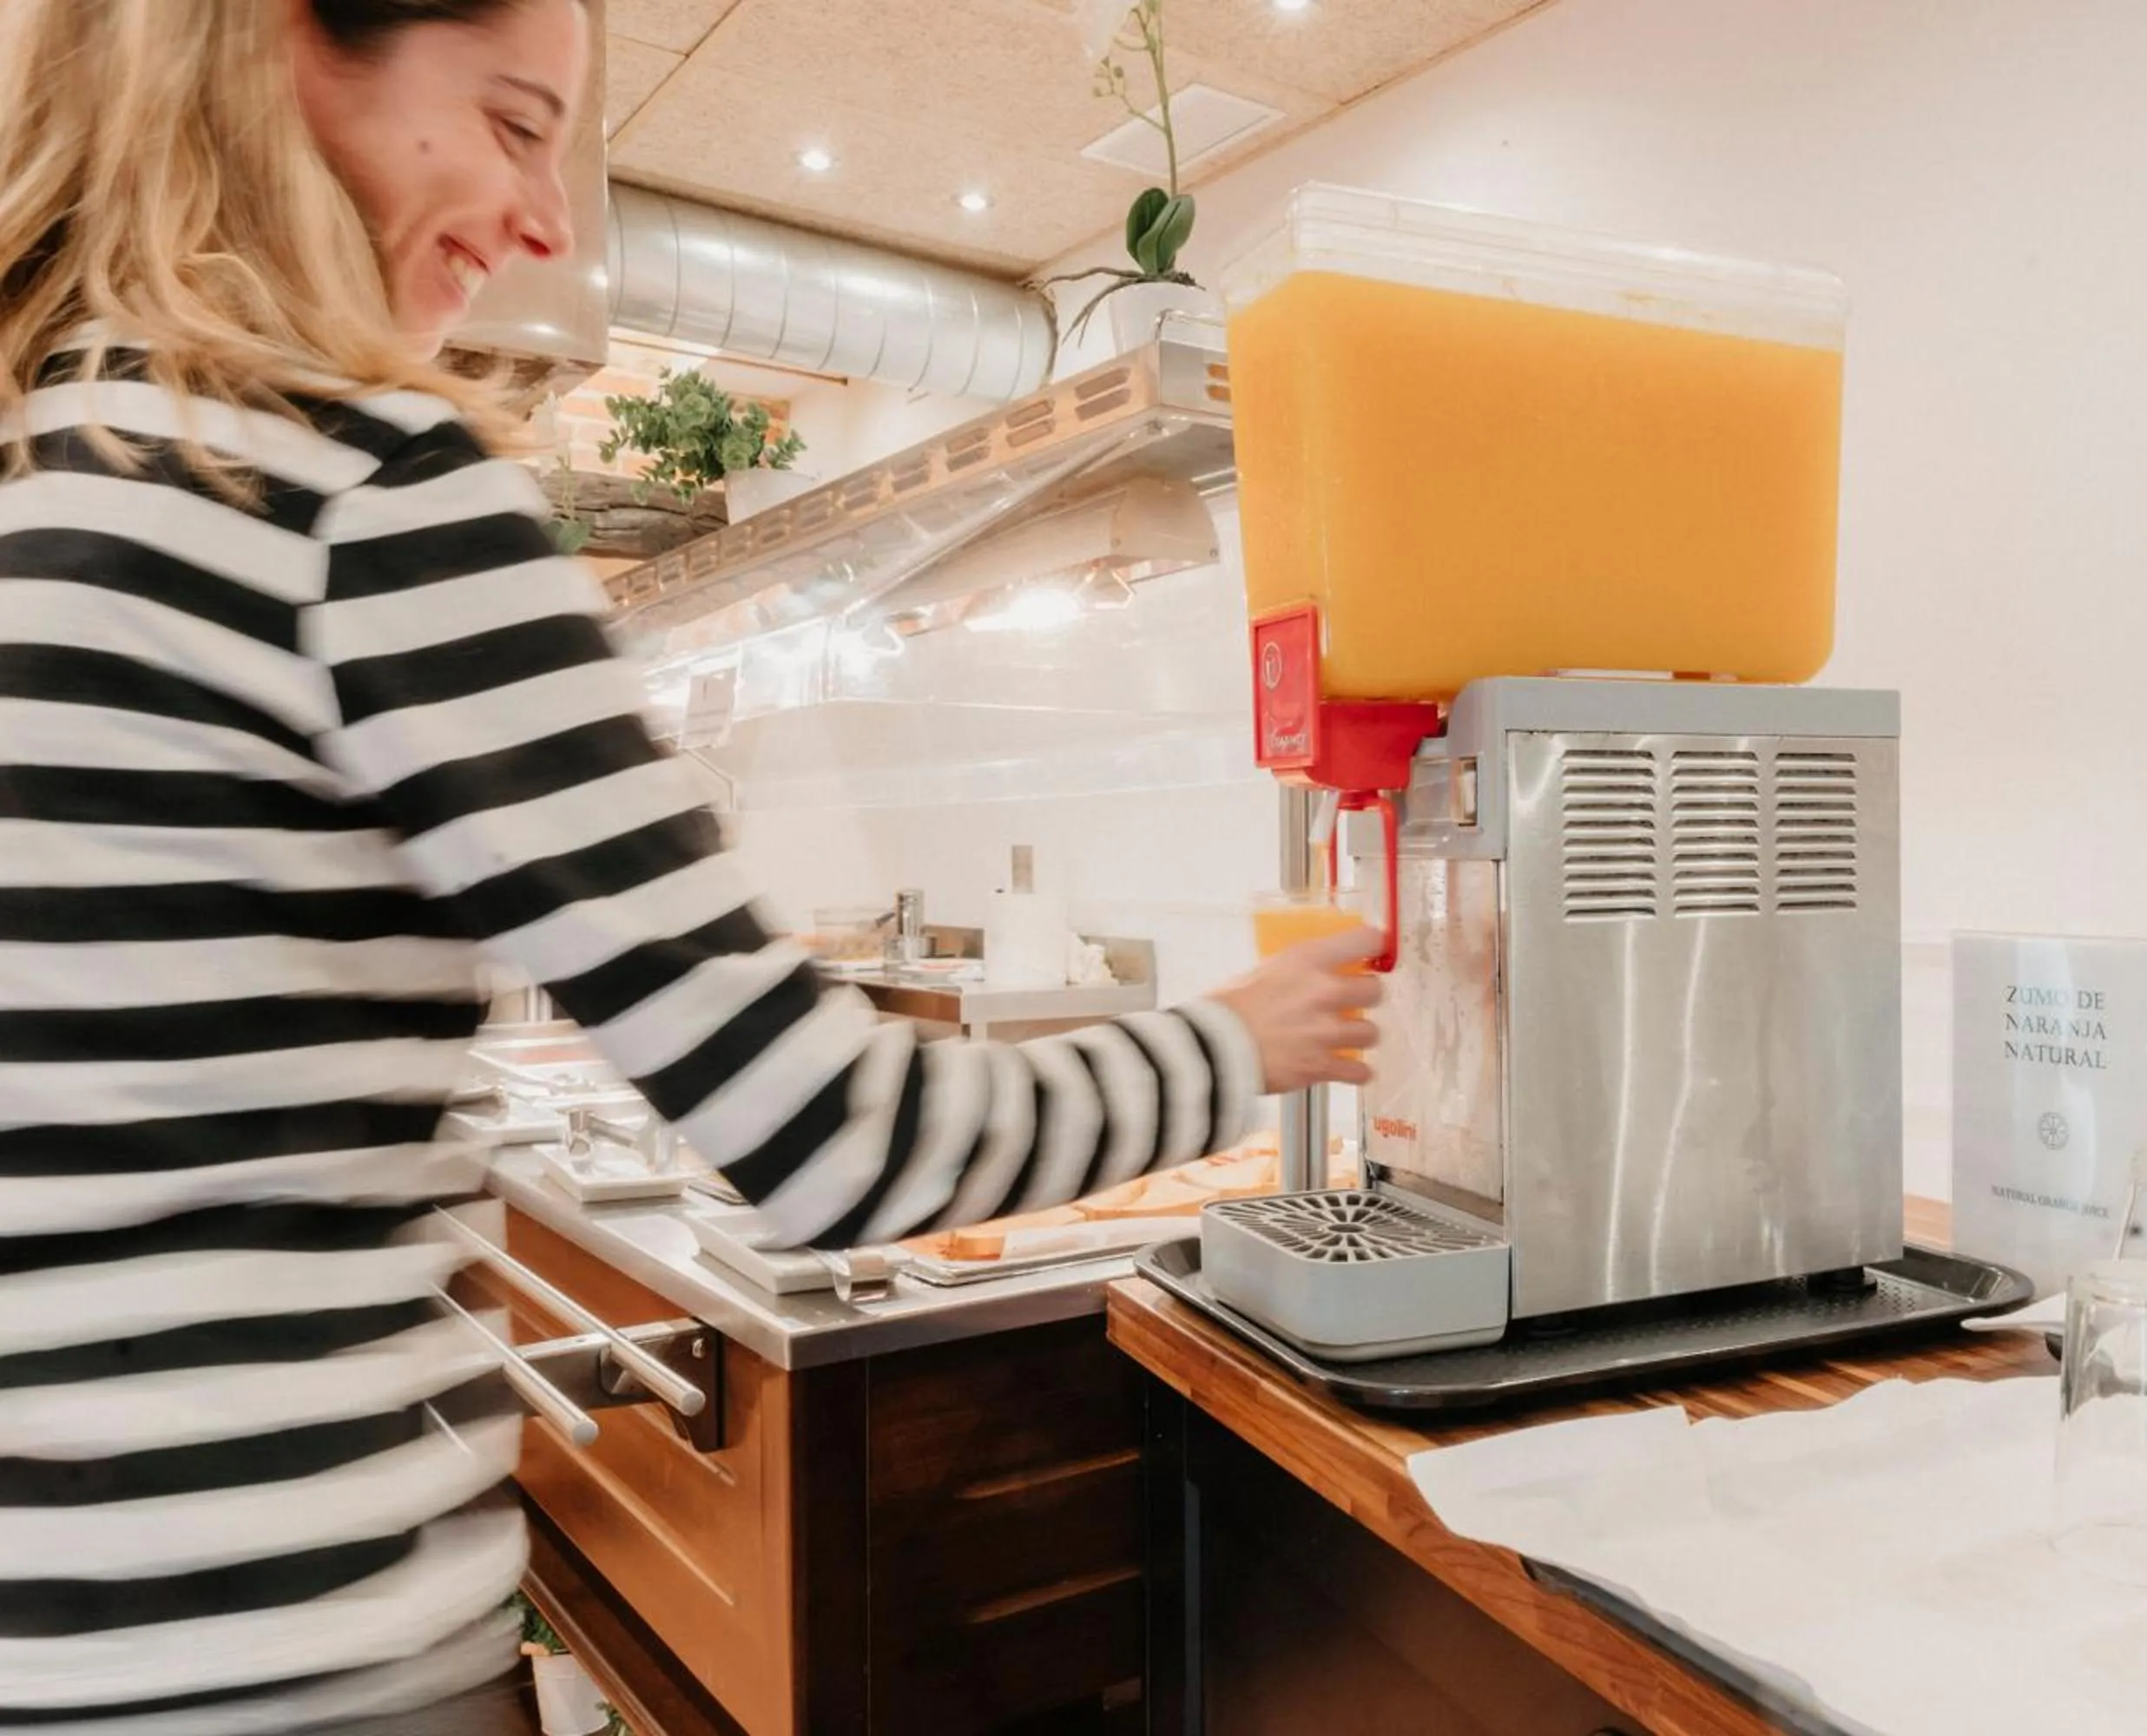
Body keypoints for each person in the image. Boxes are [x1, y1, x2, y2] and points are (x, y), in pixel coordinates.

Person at [0, 2, 1380, 1729]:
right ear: (287, 47)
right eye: (512, 122)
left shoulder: (63, 469)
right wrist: (1243, 1040)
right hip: (303, 1662)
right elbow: (841, 1140)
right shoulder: (361, 494)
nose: (544, 226)